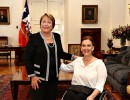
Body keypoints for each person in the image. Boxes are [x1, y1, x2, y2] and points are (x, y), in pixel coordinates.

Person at [24, 13, 77, 100]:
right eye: (43, 22)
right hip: (38, 77)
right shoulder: (34, 38)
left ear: (52, 25)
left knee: (51, 97)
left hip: (54, 77)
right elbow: (27, 58)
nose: (46, 24)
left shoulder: (57, 36)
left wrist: (75, 57)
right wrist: (32, 76)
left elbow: (60, 53)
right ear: (40, 24)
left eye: (49, 22)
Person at [60, 36, 107, 100]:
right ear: (81, 48)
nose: (86, 48)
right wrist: (54, 57)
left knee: (80, 97)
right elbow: (64, 68)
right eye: (83, 46)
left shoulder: (99, 64)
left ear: (93, 48)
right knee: (67, 97)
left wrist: (92, 97)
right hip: (75, 89)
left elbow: (100, 84)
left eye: (88, 45)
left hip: (91, 92)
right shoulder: (78, 61)